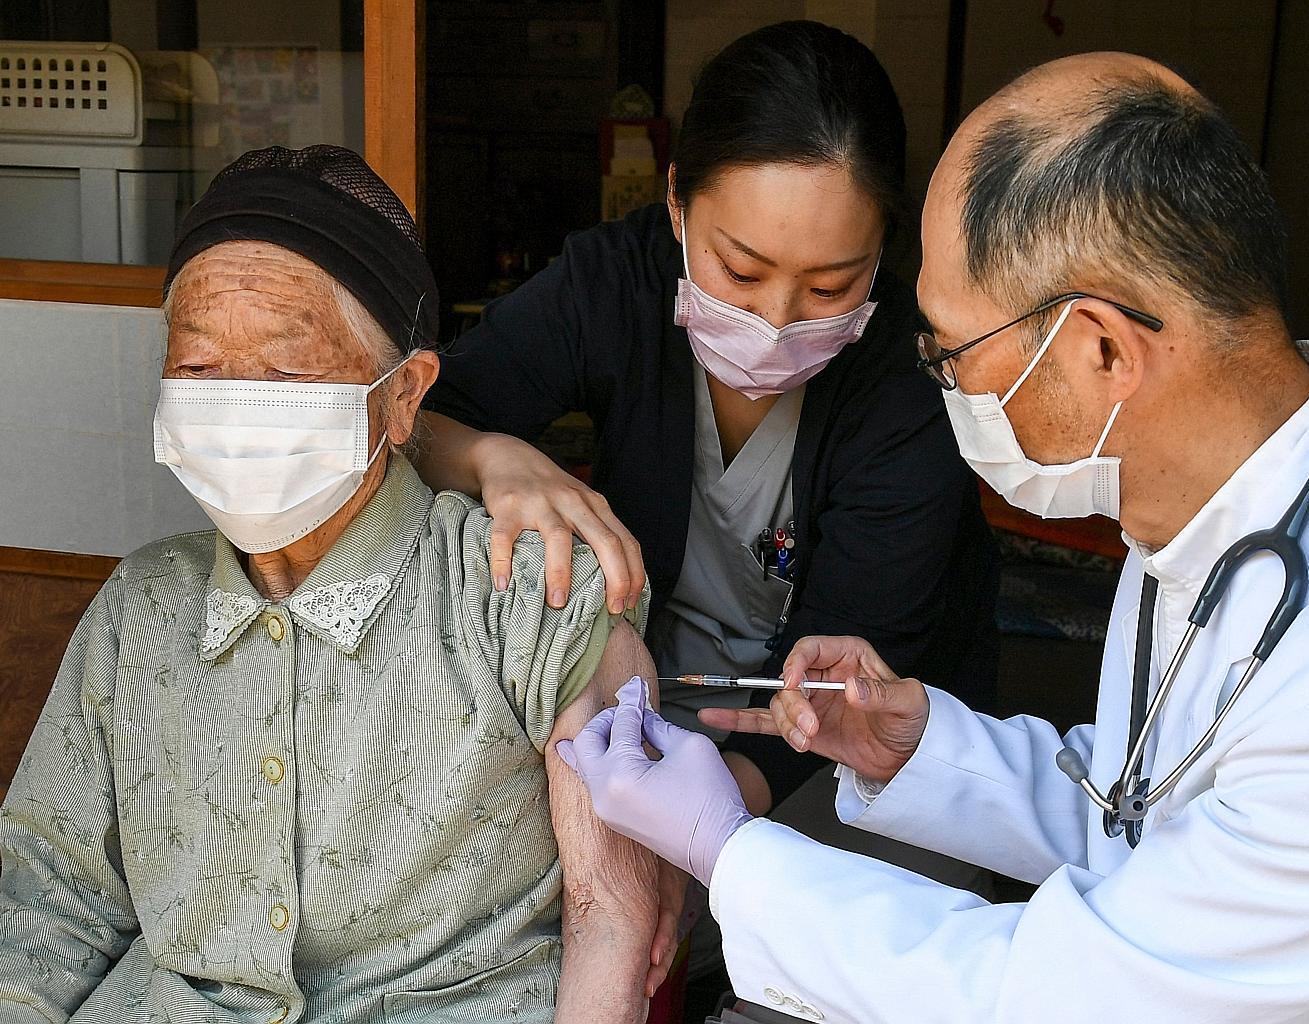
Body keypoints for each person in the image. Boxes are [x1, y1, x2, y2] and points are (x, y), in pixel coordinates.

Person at [559, 54, 1309, 1022]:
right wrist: (918, 748)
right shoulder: (1206, 511)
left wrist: (727, 849)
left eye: (950, 353)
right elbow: (1144, 813)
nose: (939, 386)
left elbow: (1074, 993)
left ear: (1102, 349)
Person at [0, 146, 672, 1024]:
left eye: (285, 371)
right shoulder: (140, 609)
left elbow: (612, 918)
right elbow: (50, 915)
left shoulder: (529, 596)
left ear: (404, 397)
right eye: (200, 369)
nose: (236, 404)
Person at [414, 20, 999, 815]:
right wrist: (490, 458)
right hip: (639, 712)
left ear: (884, 248)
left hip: (840, 766)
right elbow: (416, 418)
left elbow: (845, 678)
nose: (777, 318)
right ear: (676, 200)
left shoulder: (912, 382)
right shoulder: (618, 284)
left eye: (830, 287)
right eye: (740, 269)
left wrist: (699, 838)